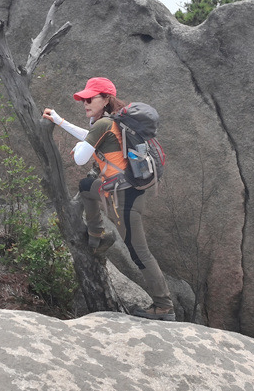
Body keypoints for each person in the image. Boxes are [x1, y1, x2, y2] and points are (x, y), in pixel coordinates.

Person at [43, 77, 175, 321]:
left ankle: (164, 306)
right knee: (86, 186)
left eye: (90, 98)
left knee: (139, 252)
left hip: (125, 198)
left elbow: (80, 159)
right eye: (83, 99)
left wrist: (79, 148)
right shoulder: (111, 122)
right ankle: (98, 234)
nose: (85, 103)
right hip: (119, 190)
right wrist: (60, 121)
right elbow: (90, 136)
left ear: (105, 99)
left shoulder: (104, 123)